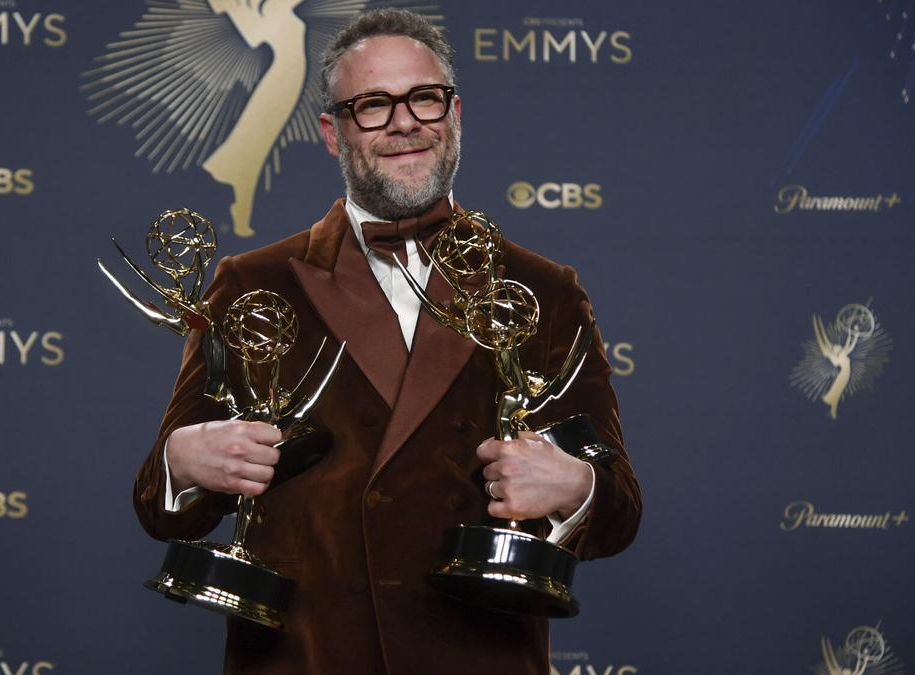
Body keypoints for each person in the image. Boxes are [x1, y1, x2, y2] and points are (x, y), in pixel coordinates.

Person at [133, 9, 641, 674]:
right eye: (372, 104)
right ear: (331, 132)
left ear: (456, 114)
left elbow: (620, 508)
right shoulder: (248, 283)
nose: (404, 122)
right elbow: (160, 508)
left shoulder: (542, 289)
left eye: (424, 98)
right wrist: (183, 464)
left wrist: (576, 485)